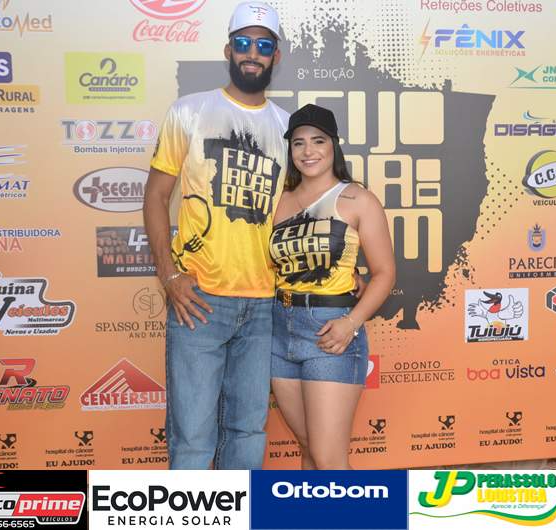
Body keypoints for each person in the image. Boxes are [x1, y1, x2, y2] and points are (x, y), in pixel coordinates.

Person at [143, 1, 289, 470]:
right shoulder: (189, 111)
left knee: (248, 431)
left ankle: (239, 509)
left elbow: (301, 211)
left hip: (264, 302)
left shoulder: (288, 128)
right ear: (228, 49)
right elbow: (155, 196)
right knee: (192, 438)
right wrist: (169, 275)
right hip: (200, 299)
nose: (252, 53)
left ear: (275, 56)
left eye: (263, 45)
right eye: (243, 43)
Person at [269, 104, 395, 469]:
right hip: (278, 328)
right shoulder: (278, 201)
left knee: (328, 459)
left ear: (334, 145)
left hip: (330, 330)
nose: (308, 151)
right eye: (298, 143)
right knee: (309, 448)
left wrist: (351, 323)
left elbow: (385, 273)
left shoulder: (357, 199)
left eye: (318, 141)